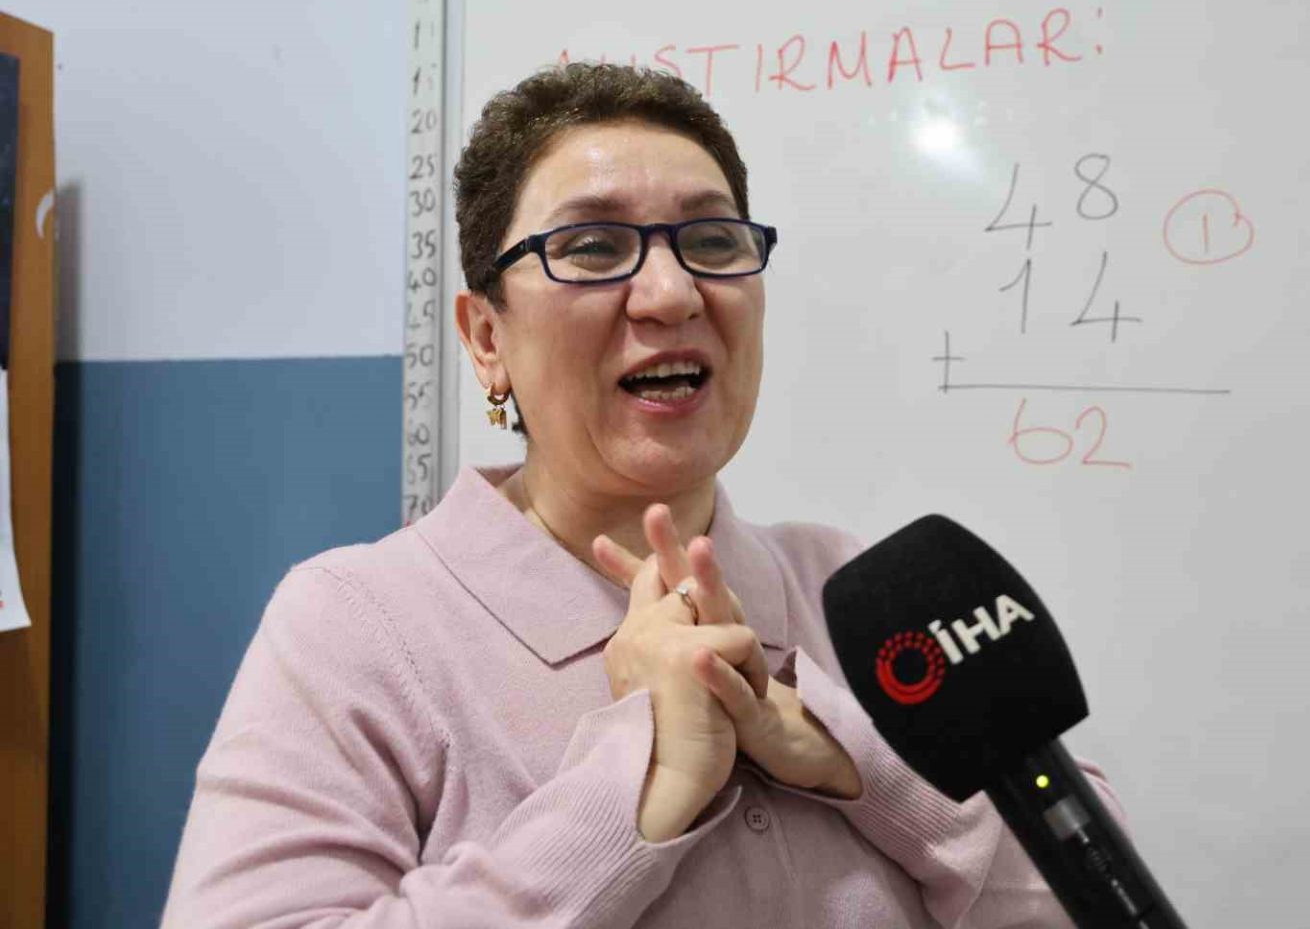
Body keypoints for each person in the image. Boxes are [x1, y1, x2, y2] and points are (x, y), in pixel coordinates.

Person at [162, 63, 1128, 927]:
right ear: (487, 337)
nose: (672, 293)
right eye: (591, 246)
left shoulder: (860, 595)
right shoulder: (361, 625)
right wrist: (636, 788)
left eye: (711, 239)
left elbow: (1102, 900)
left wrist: (856, 760)